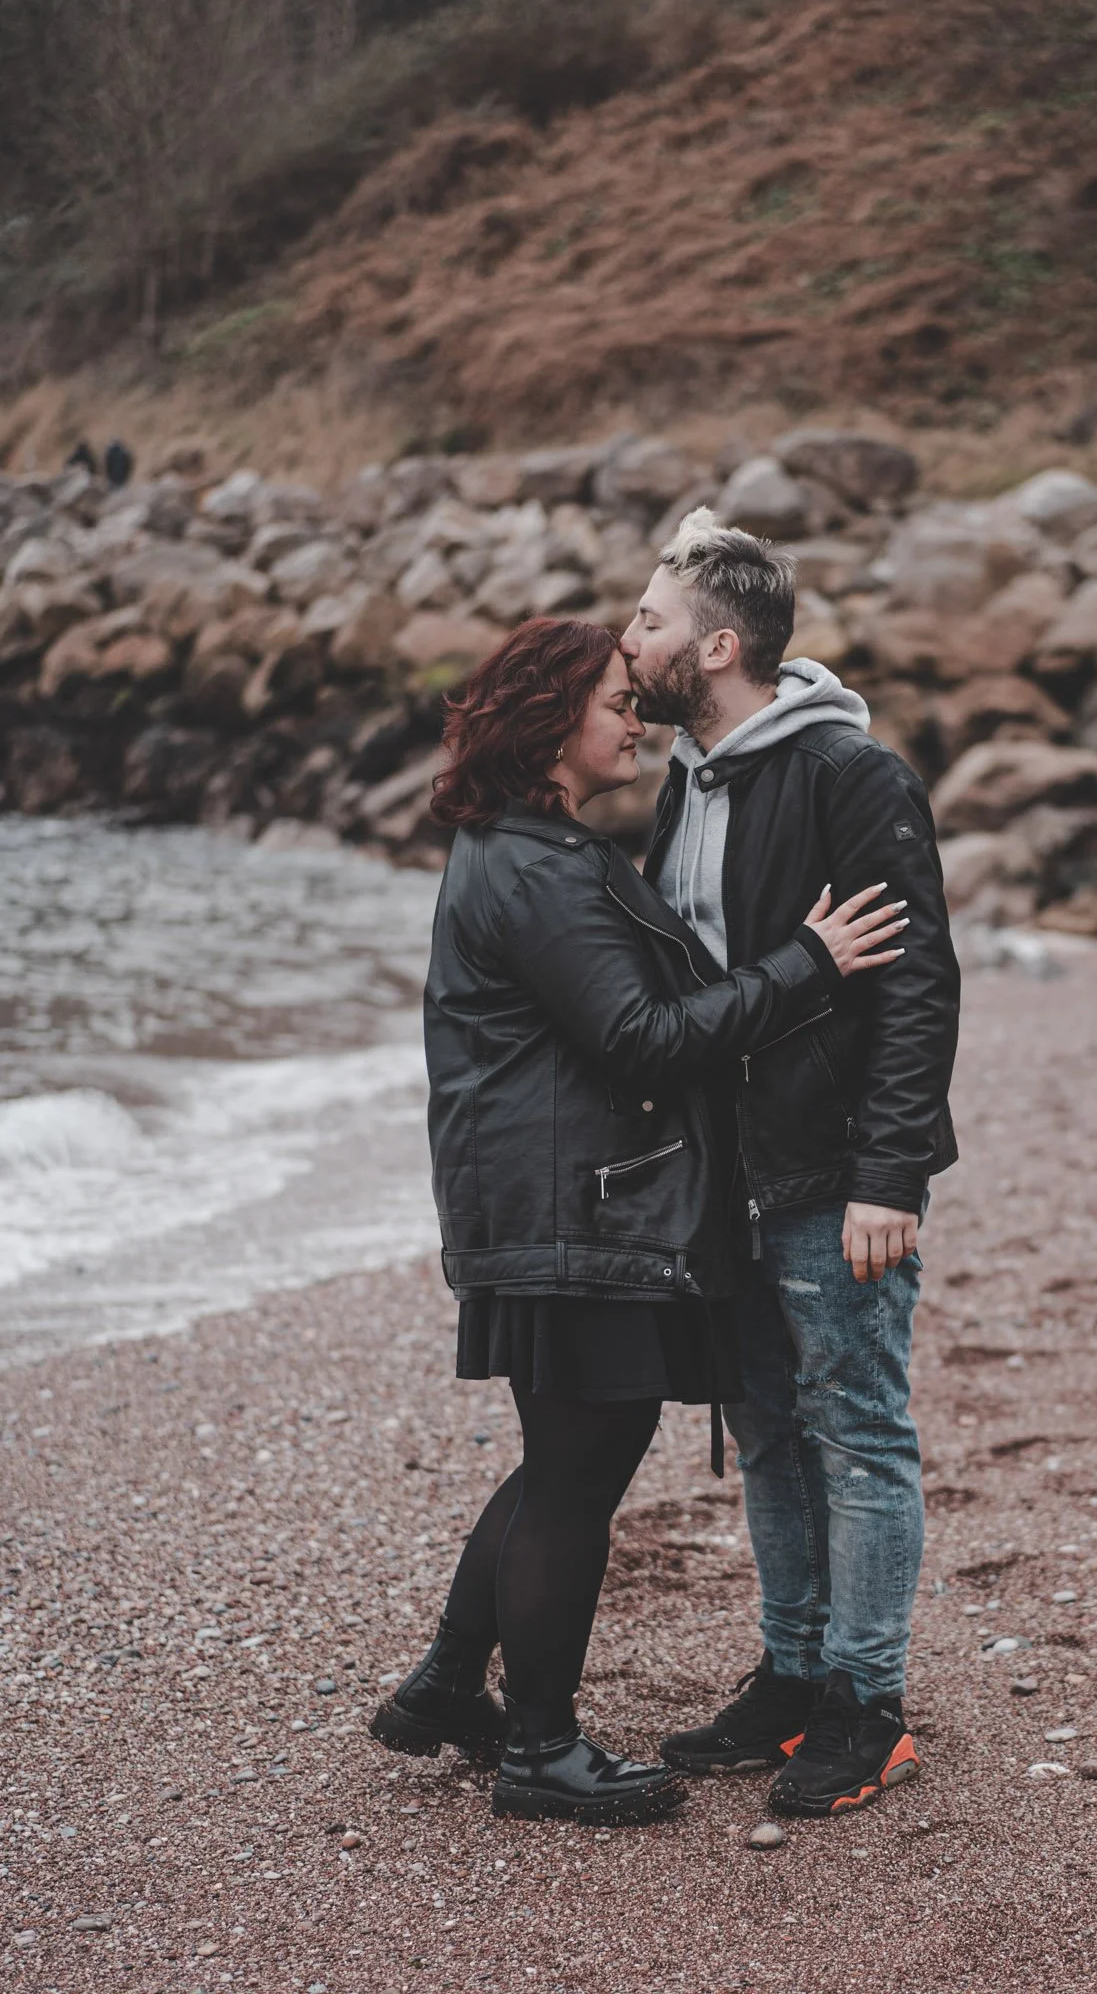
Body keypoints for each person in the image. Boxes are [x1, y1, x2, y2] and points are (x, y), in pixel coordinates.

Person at [368, 614, 909, 1827]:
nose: (639, 718)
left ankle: (451, 1685)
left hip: (550, 1201)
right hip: (572, 1211)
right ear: (551, 718)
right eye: (618, 698)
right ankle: (542, 1751)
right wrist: (809, 962)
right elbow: (642, 1039)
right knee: (576, 1477)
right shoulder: (541, 867)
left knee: (561, 1463)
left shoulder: (527, 846)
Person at [620, 509, 960, 1819]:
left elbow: (917, 989)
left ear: (712, 648)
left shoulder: (849, 778)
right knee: (762, 1429)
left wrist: (890, 1176)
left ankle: (863, 1710)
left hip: (832, 1179)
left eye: (646, 621)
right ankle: (791, 1674)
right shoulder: (692, 777)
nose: (625, 640)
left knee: (858, 1433)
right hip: (728, 1177)